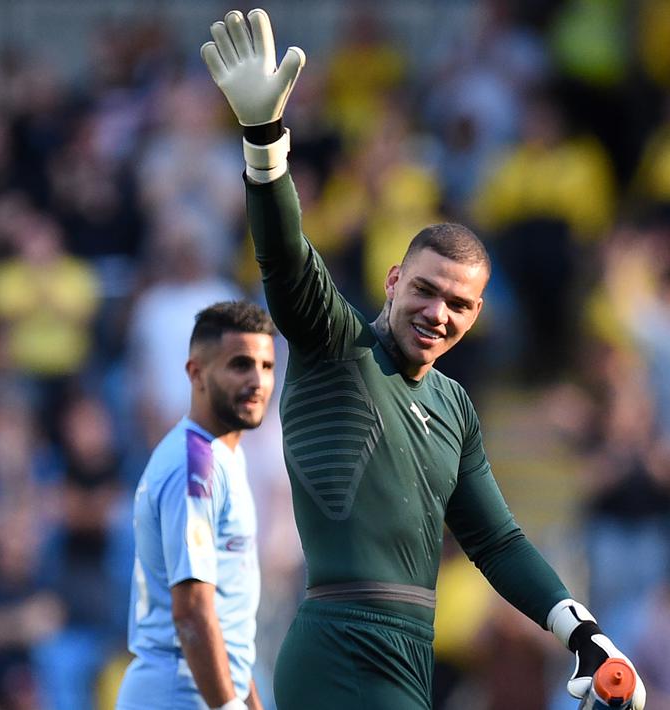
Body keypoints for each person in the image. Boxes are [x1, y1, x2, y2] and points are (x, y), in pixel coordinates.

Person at [199, 8, 645, 709]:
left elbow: (495, 541)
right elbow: (285, 259)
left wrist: (584, 634)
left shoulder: (453, 404)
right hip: (338, 646)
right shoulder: (335, 346)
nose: (439, 313)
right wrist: (263, 142)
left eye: (460, 305)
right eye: (425, 291)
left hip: (409, 658)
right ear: (391, 282)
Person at [117, 301, 277, 710]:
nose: (257, 380)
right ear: (196, 373)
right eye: (240, 365)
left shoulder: (222, 456)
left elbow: (225, 624)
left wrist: (248, 700)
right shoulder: (196, 466)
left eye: (266, 366)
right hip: (180, 693)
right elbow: (191, 609)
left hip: (203, 689)